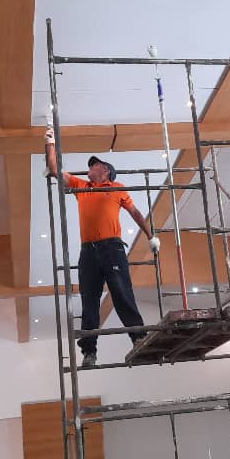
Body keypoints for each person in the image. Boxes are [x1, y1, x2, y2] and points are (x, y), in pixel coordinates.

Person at [45, 126, 160, 367]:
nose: (90, 167)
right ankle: (89, 351)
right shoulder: (81, 187)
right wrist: (50, 142)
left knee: (121, 292)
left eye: (94, 165)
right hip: (88, 252)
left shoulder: (117, 188)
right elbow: (54, 168)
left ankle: (138, 337)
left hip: (112, 248)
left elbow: (136, 213)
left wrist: (151, 236)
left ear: (105, 170)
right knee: (89, 300)